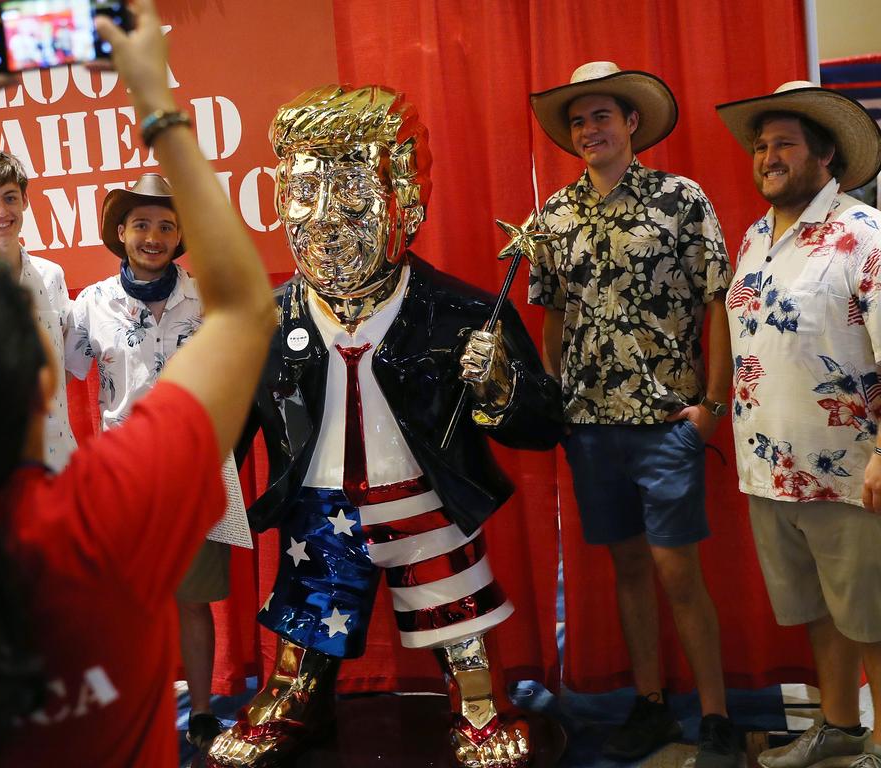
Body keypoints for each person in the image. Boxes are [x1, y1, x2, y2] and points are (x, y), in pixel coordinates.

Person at [0, 1, 275, 767]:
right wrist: (157, 103)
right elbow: (249, 309)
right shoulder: (113, 511)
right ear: (46, 367)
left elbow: (231, 313)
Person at [206, 84, 563, 768]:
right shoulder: (265, 321)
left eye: (349, 192)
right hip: (321, 512)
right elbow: (231, 424)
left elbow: (545, 425)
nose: (323, 220)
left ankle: (477, 699)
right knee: (307, 611)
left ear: (406, 199)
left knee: (456, 609)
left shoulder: (461, 312)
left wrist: (500, 388)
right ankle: (294, 696)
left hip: (424, 504)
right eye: (303, 192)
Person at [528, 61, 742, 767]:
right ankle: (649, 705)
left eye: (602, 116)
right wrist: (554, 394)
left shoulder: (682, 199)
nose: (590, 130)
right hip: (589, 425)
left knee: (677, 571)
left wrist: (712, 405)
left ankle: (714, 717)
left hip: (666, 421)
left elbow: (717, 301)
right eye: (579, 120)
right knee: (625, 568)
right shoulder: (554, 216)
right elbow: (554, 315)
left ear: (632, 123)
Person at [716, 81, 881, 768]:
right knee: (818, 611)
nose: (766, 156)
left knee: (872, 618)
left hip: (848, 468)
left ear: (826, 156)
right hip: (768, 466)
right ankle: (840, 725)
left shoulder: (862, 234)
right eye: (760, 146)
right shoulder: (755, 236)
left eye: (783, 143)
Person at [64, 173, 229, 749]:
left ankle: (203, 709)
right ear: (120, 232)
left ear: (179, 234)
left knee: (191, 598)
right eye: (141, 225)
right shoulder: (90, 305)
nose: (153, 236)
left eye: (165, 225)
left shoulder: (205, 301)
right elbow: (62, 372)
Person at [0, 146, 76, 471]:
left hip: (59, 460)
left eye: (10, 197)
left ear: (25, 200)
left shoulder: (52, 276)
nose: (1, 211)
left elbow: (62, 366)